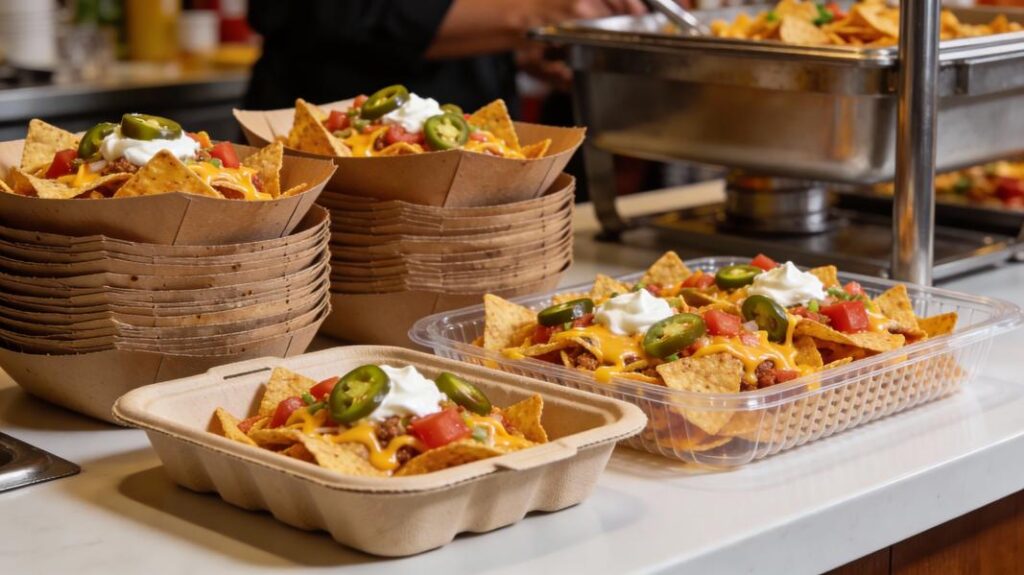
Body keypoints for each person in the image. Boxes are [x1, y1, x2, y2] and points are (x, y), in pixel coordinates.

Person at [244, 0, 647, 112]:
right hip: (334, 160)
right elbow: (331, 14)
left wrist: (519, 55)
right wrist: (533, 13)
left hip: (478, 154)